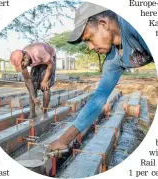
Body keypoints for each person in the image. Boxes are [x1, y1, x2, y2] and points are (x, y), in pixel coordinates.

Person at [49, 2, 154, 151]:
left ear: (103, 24)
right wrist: (63, 140)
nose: (90, 47)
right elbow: (98, 99)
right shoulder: (113, 59)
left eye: (89, 38)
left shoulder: (134, 26)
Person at [10, 42, 56, 118]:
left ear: (25, 57)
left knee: (45, 87)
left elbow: (51, 65)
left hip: (49, 58)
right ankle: (32, 114)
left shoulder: (38, 52)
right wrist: (34, 98)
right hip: (37, 60)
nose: (23, 67)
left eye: (22, 64)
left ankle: (44, 112)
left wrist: (44, 80)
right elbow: (27, 80)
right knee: (33, 85)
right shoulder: (23, 60)